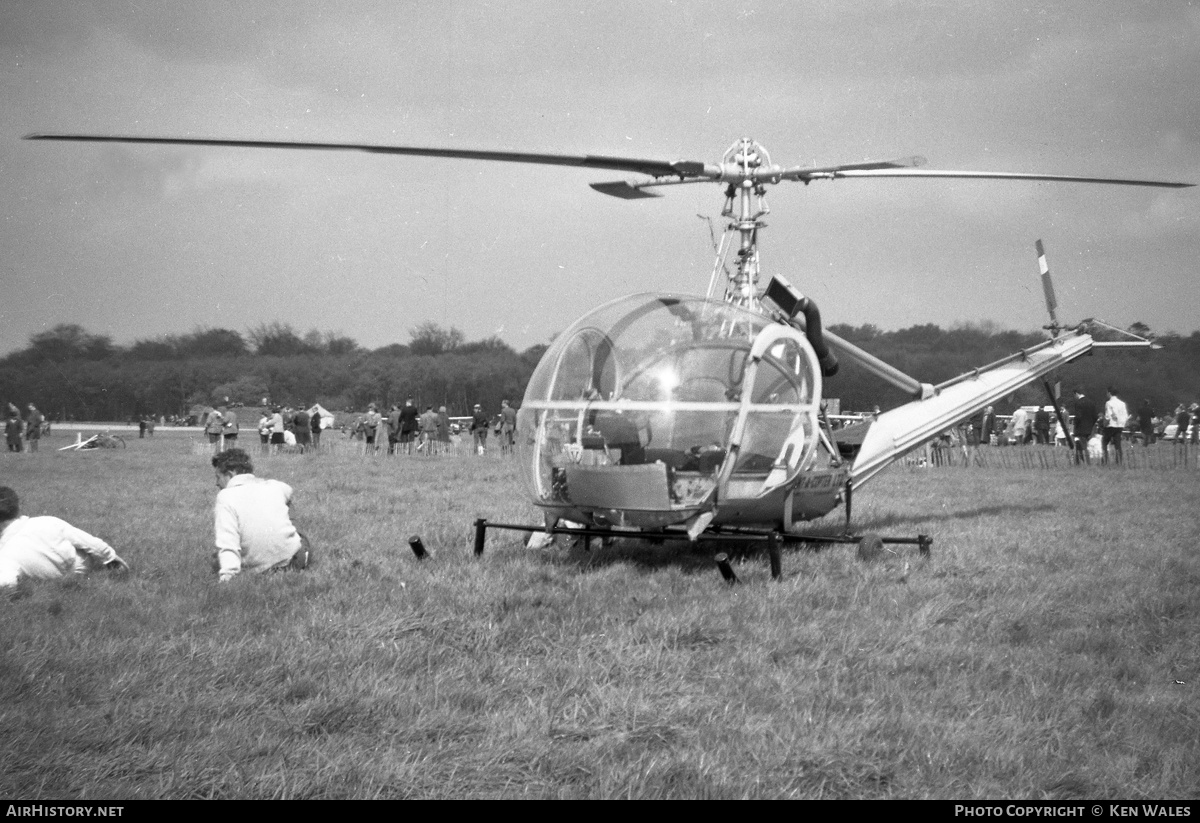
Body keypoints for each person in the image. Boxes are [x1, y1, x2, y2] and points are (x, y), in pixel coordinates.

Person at [211, 449, 310, 582]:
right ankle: (290, 546)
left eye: (218, 477)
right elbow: (288, 490)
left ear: (230, 474)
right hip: (293, 562)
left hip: (256, 569)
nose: (217, 483)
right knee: (288, 508)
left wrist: (228, 575)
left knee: (218, 556)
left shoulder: (225, 497)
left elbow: (227, 540)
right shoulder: (274, 486)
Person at [0, 486, 128, 588]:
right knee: (74, 539)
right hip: (81, 566)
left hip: (52, 579)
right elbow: (86, 540)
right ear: (18, 507)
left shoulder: (5, 552)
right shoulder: (46, 521)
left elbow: (6, 582)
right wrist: (110, 557)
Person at [1102, 386, 1129, 465]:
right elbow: (1125, 415)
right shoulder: (1122, 403)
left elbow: (1108, 416)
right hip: (1119, 426)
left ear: (1109, 393)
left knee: (1104, 443)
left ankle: (1104, 461)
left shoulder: (1108, 403)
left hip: (1111, 425)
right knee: (1118, 444)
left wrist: (1104, 424)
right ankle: (1119, 461)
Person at [1072, 389, 1099, 465]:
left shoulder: (1078, 403)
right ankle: (1077, 462)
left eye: (1074, 395)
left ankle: (1087, 463)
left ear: (1076, 393)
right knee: (1079, 445)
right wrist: (1091, 424)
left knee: (1083, 446)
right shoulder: (1091, 402)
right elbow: (1095, 416)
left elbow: (1078, 416)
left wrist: (1075, 423)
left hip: (1080, 428)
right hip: (1089, 428)